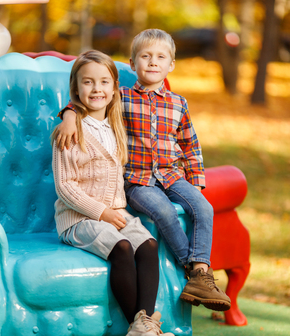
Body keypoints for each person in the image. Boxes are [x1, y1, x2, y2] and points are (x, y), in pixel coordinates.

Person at [55, 29, 231, 312]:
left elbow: (190, 144)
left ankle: (201, 271)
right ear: (132, 63)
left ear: (171, 65)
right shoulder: (120, 97)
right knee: (163, 211)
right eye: (145, 56)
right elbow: (90, 99)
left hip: (171, 174)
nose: (152, 62)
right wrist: (69, 115)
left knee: (203, 208)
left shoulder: (178, 103)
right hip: (138, 179)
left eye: (161, 57)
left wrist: (196, 183)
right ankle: (190, 267)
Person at [52, 49, 178, 336]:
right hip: (78, 219)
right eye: (88, 83)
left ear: (115, 88)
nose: (96, 89)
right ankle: (141, 327)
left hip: (115, 214)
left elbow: (151, 97)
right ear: (76, 89)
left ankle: (143, 326)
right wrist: (69, 114)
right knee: (122, 247)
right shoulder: (70, 131)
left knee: (147, 244)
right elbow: (66, 187)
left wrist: (112, 214)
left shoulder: (116, 121)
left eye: (104, 82)